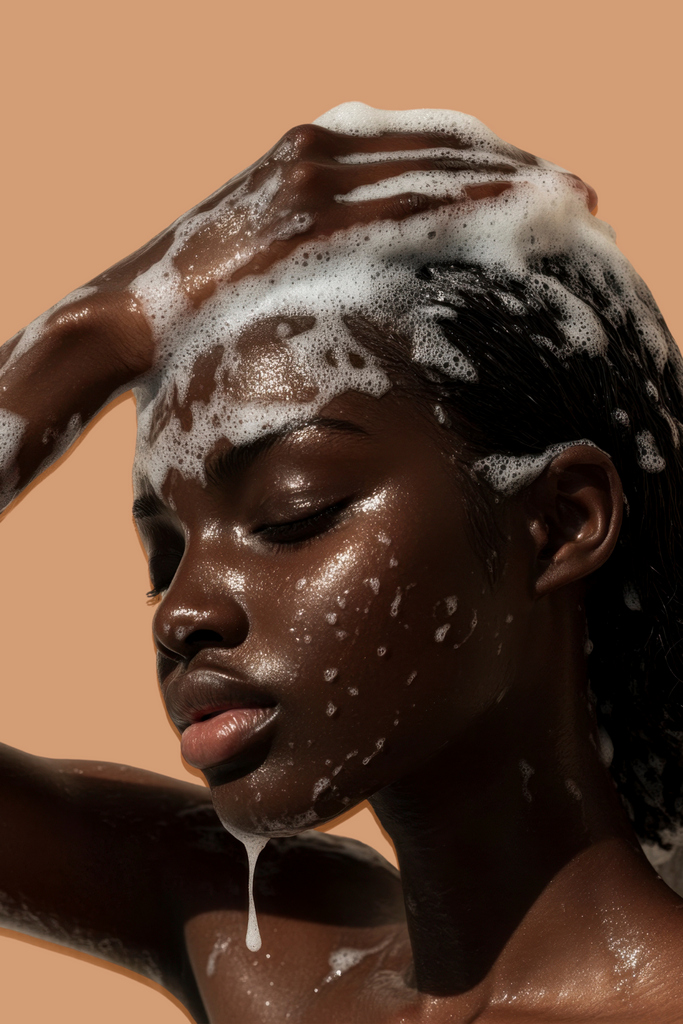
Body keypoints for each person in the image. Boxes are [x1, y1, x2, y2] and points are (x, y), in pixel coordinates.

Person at [1, 101, 682, 1023]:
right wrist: (117, 322)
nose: (181, 611)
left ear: (561, 522)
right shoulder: (260, 954)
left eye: (292, 514)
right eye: (163, 558)